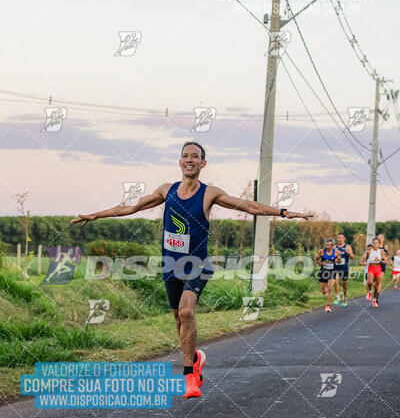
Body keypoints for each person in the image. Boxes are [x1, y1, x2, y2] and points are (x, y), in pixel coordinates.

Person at [71, 141, 313, 398]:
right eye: (185, 156)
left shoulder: (210, 194)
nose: (189, 160)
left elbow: (248, 206)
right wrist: (95, 215)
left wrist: (283, 212)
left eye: (195, 156)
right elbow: (131, 207)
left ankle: (189, 376)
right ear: (179, 162)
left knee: (187, 311)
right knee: (179, 319)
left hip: (197, 265)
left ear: (202, 163)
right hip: (170, 265)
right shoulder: (167, 190)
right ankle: (195, 357)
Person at [315, 238, 341, 313]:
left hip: (332, 271)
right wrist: (320, 263)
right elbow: (316, 260)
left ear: (332, 245)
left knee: (330, 288)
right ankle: (327, 292)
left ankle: (327, 306)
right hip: (324, 271)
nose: (327, 246)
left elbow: (339, 261)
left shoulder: (336, 252)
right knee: (324, 291)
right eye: (326, 244)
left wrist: (338, 260)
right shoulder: (322, 251)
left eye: (329, 245)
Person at [361, 237, 387, 307]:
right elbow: (364, 260)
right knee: (369, 282)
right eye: (374, 243)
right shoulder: (369, 252)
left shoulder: (381, 252)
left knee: (376, 287)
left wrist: (380, 260)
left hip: (378, 268)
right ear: (372, 244)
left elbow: (385, 262)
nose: (375, 244)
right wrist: (364, 262)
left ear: (379, 244)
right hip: (371, 268)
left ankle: (374, 300)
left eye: (377, 243)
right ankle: (369, 292)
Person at [333, 233, 354, 307]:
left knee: (344, 284)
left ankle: (345, 297)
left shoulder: (347, 247)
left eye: (341, 237)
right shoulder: (334, 247)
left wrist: (348, 253)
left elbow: (352, 257)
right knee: (335, 281)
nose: (339, 239)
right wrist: (334, 259)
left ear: (344, 238)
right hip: (336, 268)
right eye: (338, 237)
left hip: (344, 268)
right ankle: (337, 296)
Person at [377, 233, 390, 302]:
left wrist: (386, 259)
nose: (380, 238)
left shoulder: (385, 247)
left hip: (382, 265)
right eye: (378, 237)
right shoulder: (375, 246)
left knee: (379, 280)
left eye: (381, 237)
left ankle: (377, 294)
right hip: (375, 265)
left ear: (383, 239)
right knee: (375, 281)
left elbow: (389, 255)